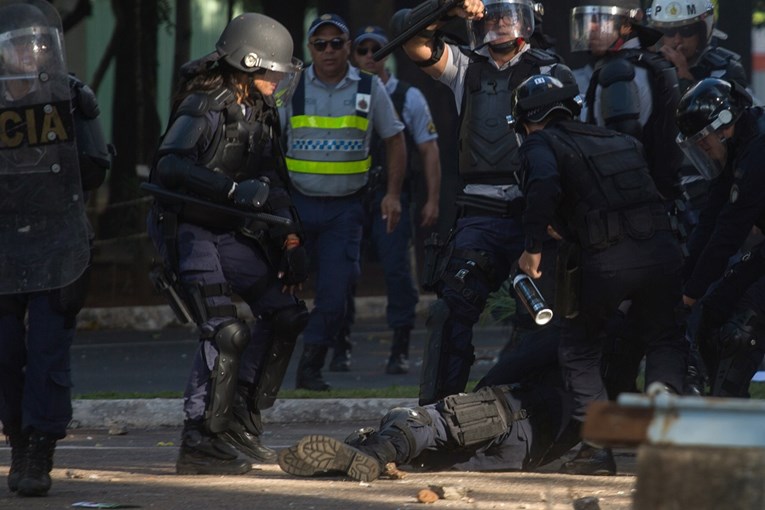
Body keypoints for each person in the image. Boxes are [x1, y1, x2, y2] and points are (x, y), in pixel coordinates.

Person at [146, 12, 309, 475]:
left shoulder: (262, 111)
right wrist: (230, 191)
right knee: (224, 331)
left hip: (228, 229)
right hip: (190, 229)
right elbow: (169, 168)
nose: (278, 78)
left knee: (285, 313)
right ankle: (200, 440)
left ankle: (239, 419)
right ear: (248, 62)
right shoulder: (206, 103)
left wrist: (291, 239)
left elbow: (274, 181)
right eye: (272, 70)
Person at [395, 0, 574, 406]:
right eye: (490, 15)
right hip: (479, 214)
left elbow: (567, 147)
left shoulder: (551, 71)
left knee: (541, 320)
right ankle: (438, 412)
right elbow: (414, 43)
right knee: (449, 313)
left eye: (507, 14)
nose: (499, 23)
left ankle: (530, 417)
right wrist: (449, 10)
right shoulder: (464, 65)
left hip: (536, 213)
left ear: (526, 19)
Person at [511, 74, 688, 474]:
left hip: (607, 260)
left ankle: (596, 448)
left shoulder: (541, 142)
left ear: (526, 122)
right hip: (662, 251)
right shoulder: (619, 139)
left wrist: (533, 246)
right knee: (665, 338)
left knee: (580, 348)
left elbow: (542, 183)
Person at [0, 0, 112, 497]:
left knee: (48, 352)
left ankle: (41, 447)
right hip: (2, 244)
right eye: (20, 42)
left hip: (59, 243)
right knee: (5, 353)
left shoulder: (70, 98)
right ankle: (18, 440)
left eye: (38, 42)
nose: (31, 51)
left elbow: (93, 168)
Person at [279, 14, 406, 390]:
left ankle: (311, 367)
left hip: (345, 210)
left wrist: (394, 195)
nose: (330, 50)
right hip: (296, 208)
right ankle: (263, 366)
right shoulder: (292, 85)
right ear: (310, 49)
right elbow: (268, 138)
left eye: (337, 43)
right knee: (279, 289)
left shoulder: (368, 87)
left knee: (335, 294)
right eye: (321, 44)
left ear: (348, 47)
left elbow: (395, 139)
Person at [329, 25, 441, 375]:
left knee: (397, 273)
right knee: (342, 272)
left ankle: (400, 348)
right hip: (349, 195)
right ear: (353, 54)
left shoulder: (408, 96)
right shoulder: (343, 92)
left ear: (386, 54)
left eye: (376, 50)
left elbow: (429, 149)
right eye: (362, 50)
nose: (368, 57)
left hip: (389, 197)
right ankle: (340, 346)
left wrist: (432, 200)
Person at [278, 382, 579, 481]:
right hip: (522, 455)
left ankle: (370, 453)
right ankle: (369, 454)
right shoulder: (614, 363)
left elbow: (512, 367)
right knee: (430, 454)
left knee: (415, 421)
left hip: (514, 415)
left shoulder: (576, 334)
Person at [675, 77, 765, 397]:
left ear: (724, 125)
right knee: (714, 311)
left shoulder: (756, 153)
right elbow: (709, 222)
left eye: (703, 141)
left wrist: (688, 296)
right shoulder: (738, 146)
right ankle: (721, 411)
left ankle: (732, 421)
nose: (703, 150)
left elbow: (728, 232)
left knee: (741, 329)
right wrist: (683, 283)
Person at [571, 0, 682, 203]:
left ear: (627, 25)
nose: (591, 27)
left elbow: (617, 153)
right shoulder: (651, 63)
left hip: (628, 205)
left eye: (600, 20)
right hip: (657, 199)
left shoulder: (622, 72)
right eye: (589, 20)